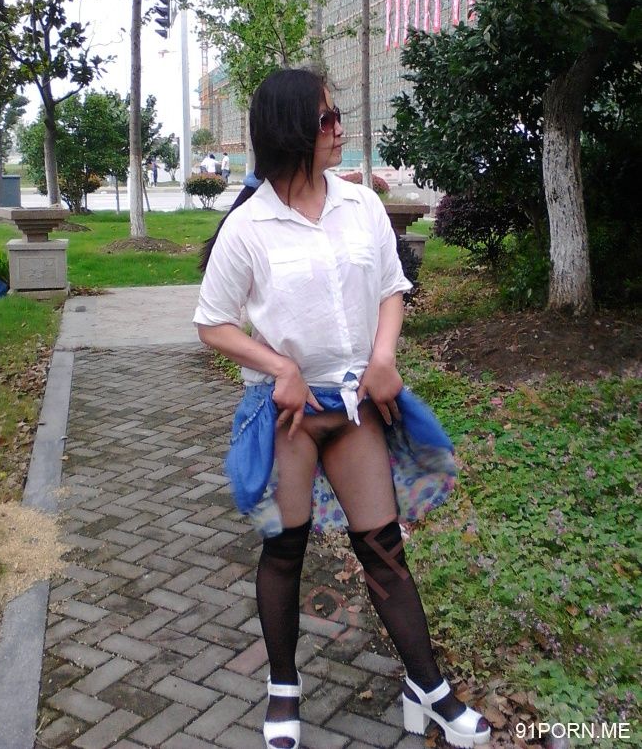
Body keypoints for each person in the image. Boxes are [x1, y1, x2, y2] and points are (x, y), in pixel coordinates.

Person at [193, 68, 490, 749]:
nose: (338, 128)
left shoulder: (360, 205)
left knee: (383, 549)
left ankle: (429, 689)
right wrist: (280, 367)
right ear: (291, 131)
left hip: (355, 405)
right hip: (290, 417)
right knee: (284, 551)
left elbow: (391, 289)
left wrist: (383, 359)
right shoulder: (249, 226)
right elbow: (212, 323)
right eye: (325, 119)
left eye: (337, 115)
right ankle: (283, 689)